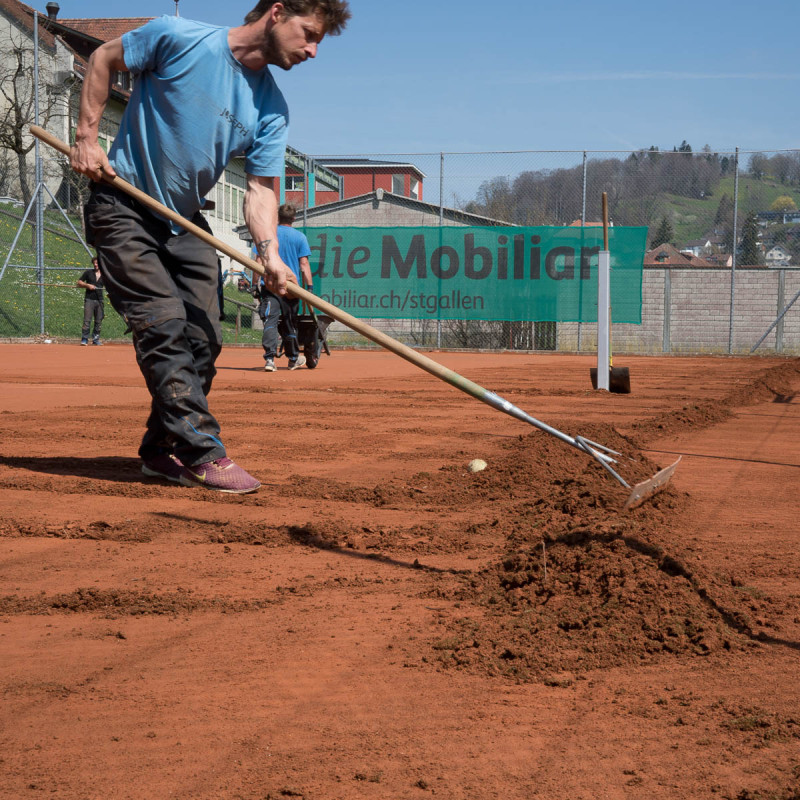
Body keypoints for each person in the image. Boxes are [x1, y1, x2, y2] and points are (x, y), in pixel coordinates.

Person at [69, 0, 350, 494]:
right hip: (122, 203)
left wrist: (269, 254)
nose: (312, 50)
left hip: (184, 222)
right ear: (277, 13)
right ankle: (203, 451)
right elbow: (102, 60)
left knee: (204, 339)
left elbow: (261, 191)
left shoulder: (270, 108)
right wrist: (87, 137)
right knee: (164, 326)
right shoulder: (179, 37)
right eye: (309, 34)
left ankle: (160, 453)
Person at [255, 203, 314, 371]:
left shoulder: (267, 236)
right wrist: (309, 287)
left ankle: (269, 360)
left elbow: (258, 261)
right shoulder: (300, 237)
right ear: (294, 218)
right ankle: (293, 359)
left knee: (270, 321)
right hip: (290, 289)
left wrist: (255, 284)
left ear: (278, 217)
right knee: (289, 322)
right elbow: (304, 264)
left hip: (271, 285)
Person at [76, 256, 105, 346]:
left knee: (98, 321)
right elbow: (79, 282)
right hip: (89, 300)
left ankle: (96, 339)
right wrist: (88, 285)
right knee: (87, 320)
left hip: (100, 300)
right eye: (94, 263)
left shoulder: (105, 275)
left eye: (97, 263)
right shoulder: (88, 273)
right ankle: (84, 339)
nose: (96, 265)